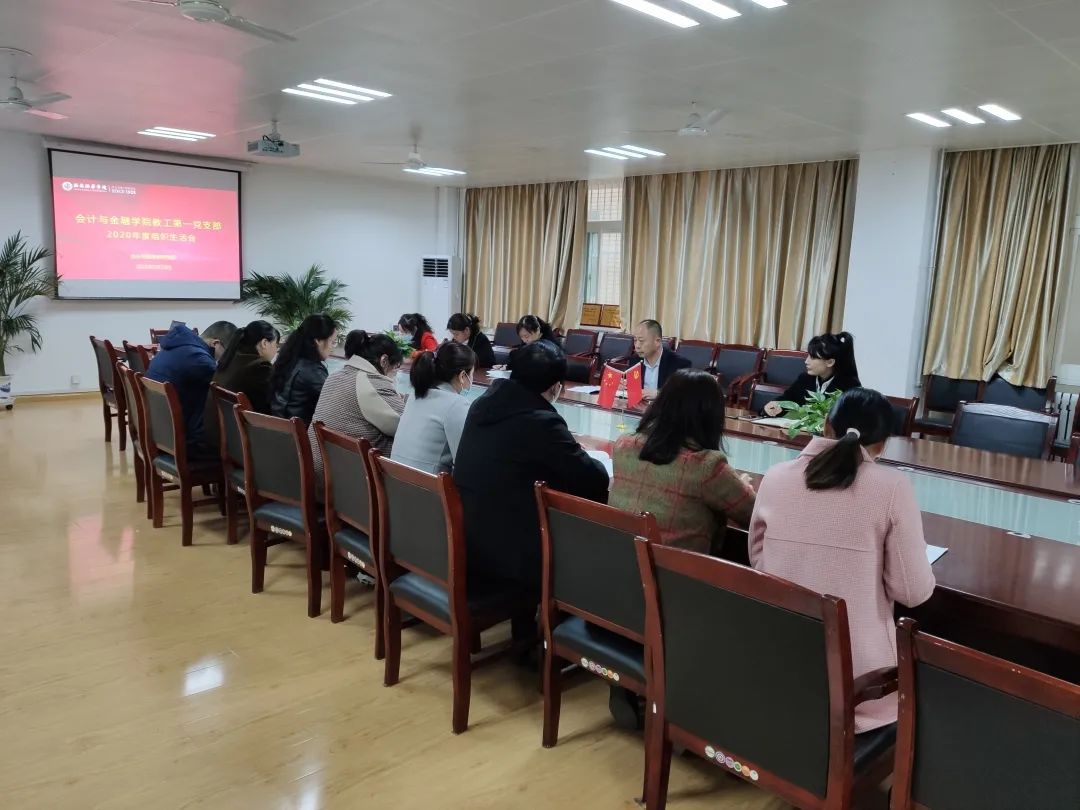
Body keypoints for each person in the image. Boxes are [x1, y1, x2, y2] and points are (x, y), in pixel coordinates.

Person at [749, 388, 936, 733]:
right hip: (858, 689)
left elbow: (758, 560)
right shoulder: (892, 487)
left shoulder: (776, 476)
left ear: (826, 425)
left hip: (776, 665)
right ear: (883, 445)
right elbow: (912, 593)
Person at [454, 341, 609, 597]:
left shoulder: (482, 403)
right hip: (510, 559)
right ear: (556, 388)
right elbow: (593, 479)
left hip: (469, 541)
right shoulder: (542, 422)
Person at [610, 369, 755, 555]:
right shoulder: (707, 466)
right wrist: (742, 486)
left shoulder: (624, 445)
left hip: (619, 559)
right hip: (674, 570)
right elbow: (754, 514)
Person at [309, 330, 405, 481]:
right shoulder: (370, 382)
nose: (395, 374)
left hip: (319, 470)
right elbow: (405, 426)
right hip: (349, 481)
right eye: (396, 367)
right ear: (384, 360)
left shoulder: (336, 376)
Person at [146, 320, 237, 449]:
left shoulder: (173, 347)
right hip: (185, 442)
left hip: (159, 433)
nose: (225, 359)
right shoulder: (200, 360)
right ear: (215, 344)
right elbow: (226, 390)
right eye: (227, 354)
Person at [391, 342, 476, 475]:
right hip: (427, 485)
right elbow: (465, 461)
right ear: (462, 376)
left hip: (395, 480)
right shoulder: (457, 404)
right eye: (471, 374)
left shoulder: (416, 396)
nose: (472, 379)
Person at [203, 320, 280, 452]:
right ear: (264, 343)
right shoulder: (260, 367)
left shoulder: (230, 360)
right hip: (237, 446)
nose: (276, 350)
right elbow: (269, 409)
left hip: (216, 437)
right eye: (276, 345)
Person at [763, 331, 861, 417]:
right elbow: (787, 400)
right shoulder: (805, 379)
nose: (806, 361)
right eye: (808, 356)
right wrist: (770, 408)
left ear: (830, 362)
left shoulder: (849, 386)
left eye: (813, 358)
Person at [270, 313, 338, 426]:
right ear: (318, 341)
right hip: (298, 432)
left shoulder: (289, 360)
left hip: (279, 428)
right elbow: (334, 405)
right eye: (333, 342)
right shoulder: (312, 372)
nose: (332, 348)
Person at [624, 319, 690, 400]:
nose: (637, 346)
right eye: (635, 340)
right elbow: (631, 390)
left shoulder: (678, 364)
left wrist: (659, 394)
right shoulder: (635, 360)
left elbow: (683, 395)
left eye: (641, 341)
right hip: (639, 405)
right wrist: (623, 385)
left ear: (657, 341)